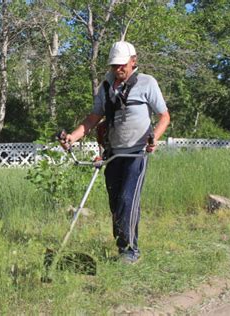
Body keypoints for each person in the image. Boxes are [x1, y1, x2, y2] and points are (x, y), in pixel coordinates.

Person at [60, 41, 170, 264]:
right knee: (115, 203)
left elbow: (164, 117)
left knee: (128, 200)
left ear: (133, 61)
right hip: (112, 153)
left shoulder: (147, 83)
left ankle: (131, 251)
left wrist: (154, 139)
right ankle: (122, 248)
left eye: (122, 65)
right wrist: (72, 136)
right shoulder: (105, 87)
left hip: (136, 153)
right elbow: (94, 118)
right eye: (113, 66)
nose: (118, 70)